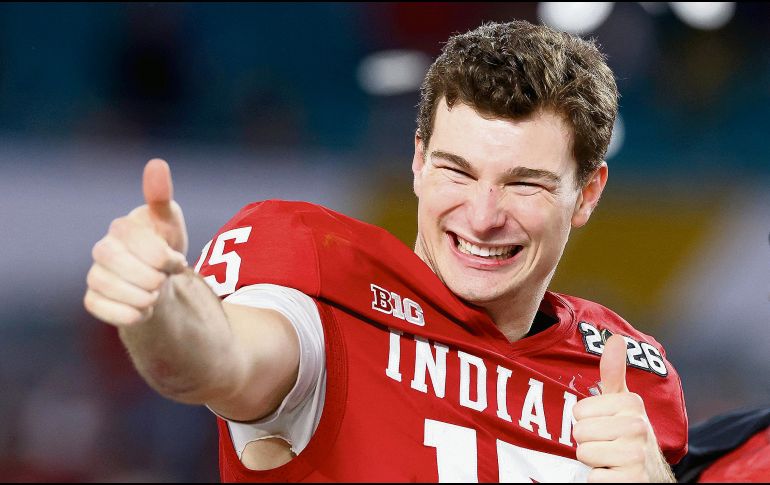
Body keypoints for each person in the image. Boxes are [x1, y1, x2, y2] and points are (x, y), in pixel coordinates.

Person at [84, 20, 687, 482]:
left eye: (523, 183)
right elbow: (218, 360)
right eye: (457, 171)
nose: (482, 216)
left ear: (586, 194)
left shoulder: (628, 381)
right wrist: (161, 304)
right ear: (419, 162)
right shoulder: (326, 284)